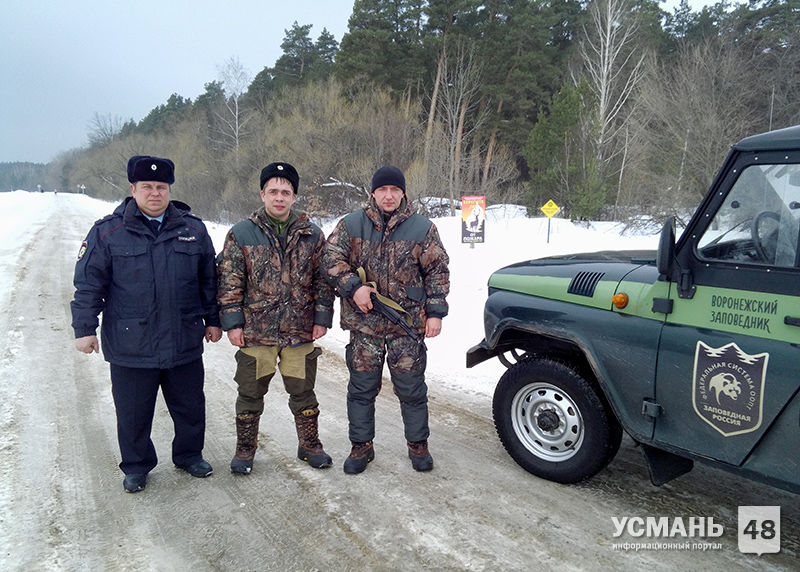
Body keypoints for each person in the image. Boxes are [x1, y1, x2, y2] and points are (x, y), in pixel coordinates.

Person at [71, 155, 222, 493]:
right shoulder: (108, 232)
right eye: (147, 187)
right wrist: (84, 329)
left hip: (183, 337)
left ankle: (188, 455)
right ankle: (137, 465)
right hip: (130, 342)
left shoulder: (193, 230)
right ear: (133, 189)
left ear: (169, 189)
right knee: (133, 413)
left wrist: (213, 321)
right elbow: (88, 285)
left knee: (190, 406)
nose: (155, 193)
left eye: (161, 187)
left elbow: (208, 282)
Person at [323, 165, 450, 474]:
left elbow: (437, 272)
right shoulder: (351, 225)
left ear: (403, 193)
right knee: (362, 389)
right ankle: (361, 447)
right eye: (383, 190)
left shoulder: (423, 228)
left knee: (412, 390)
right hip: (365, 328)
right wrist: (354, 289)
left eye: (395, 190)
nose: (389, 195)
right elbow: (329, 259)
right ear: (373, 194)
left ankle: (418, 446)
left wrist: (435, 313)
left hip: (406, 328)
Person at [217, 162, 335, 474]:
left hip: (299, 332)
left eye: (285, 192)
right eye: (273, 191)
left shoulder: (313, 235)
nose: (279, 197)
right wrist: (233, 324)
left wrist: (321, 317)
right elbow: (230, 282)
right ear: (262, 194)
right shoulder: (241, 233)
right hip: (257, 332)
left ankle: (309, 445)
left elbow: (323, 281)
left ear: (295, 196)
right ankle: (245, 449)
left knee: (303, 392)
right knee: (250, 394)